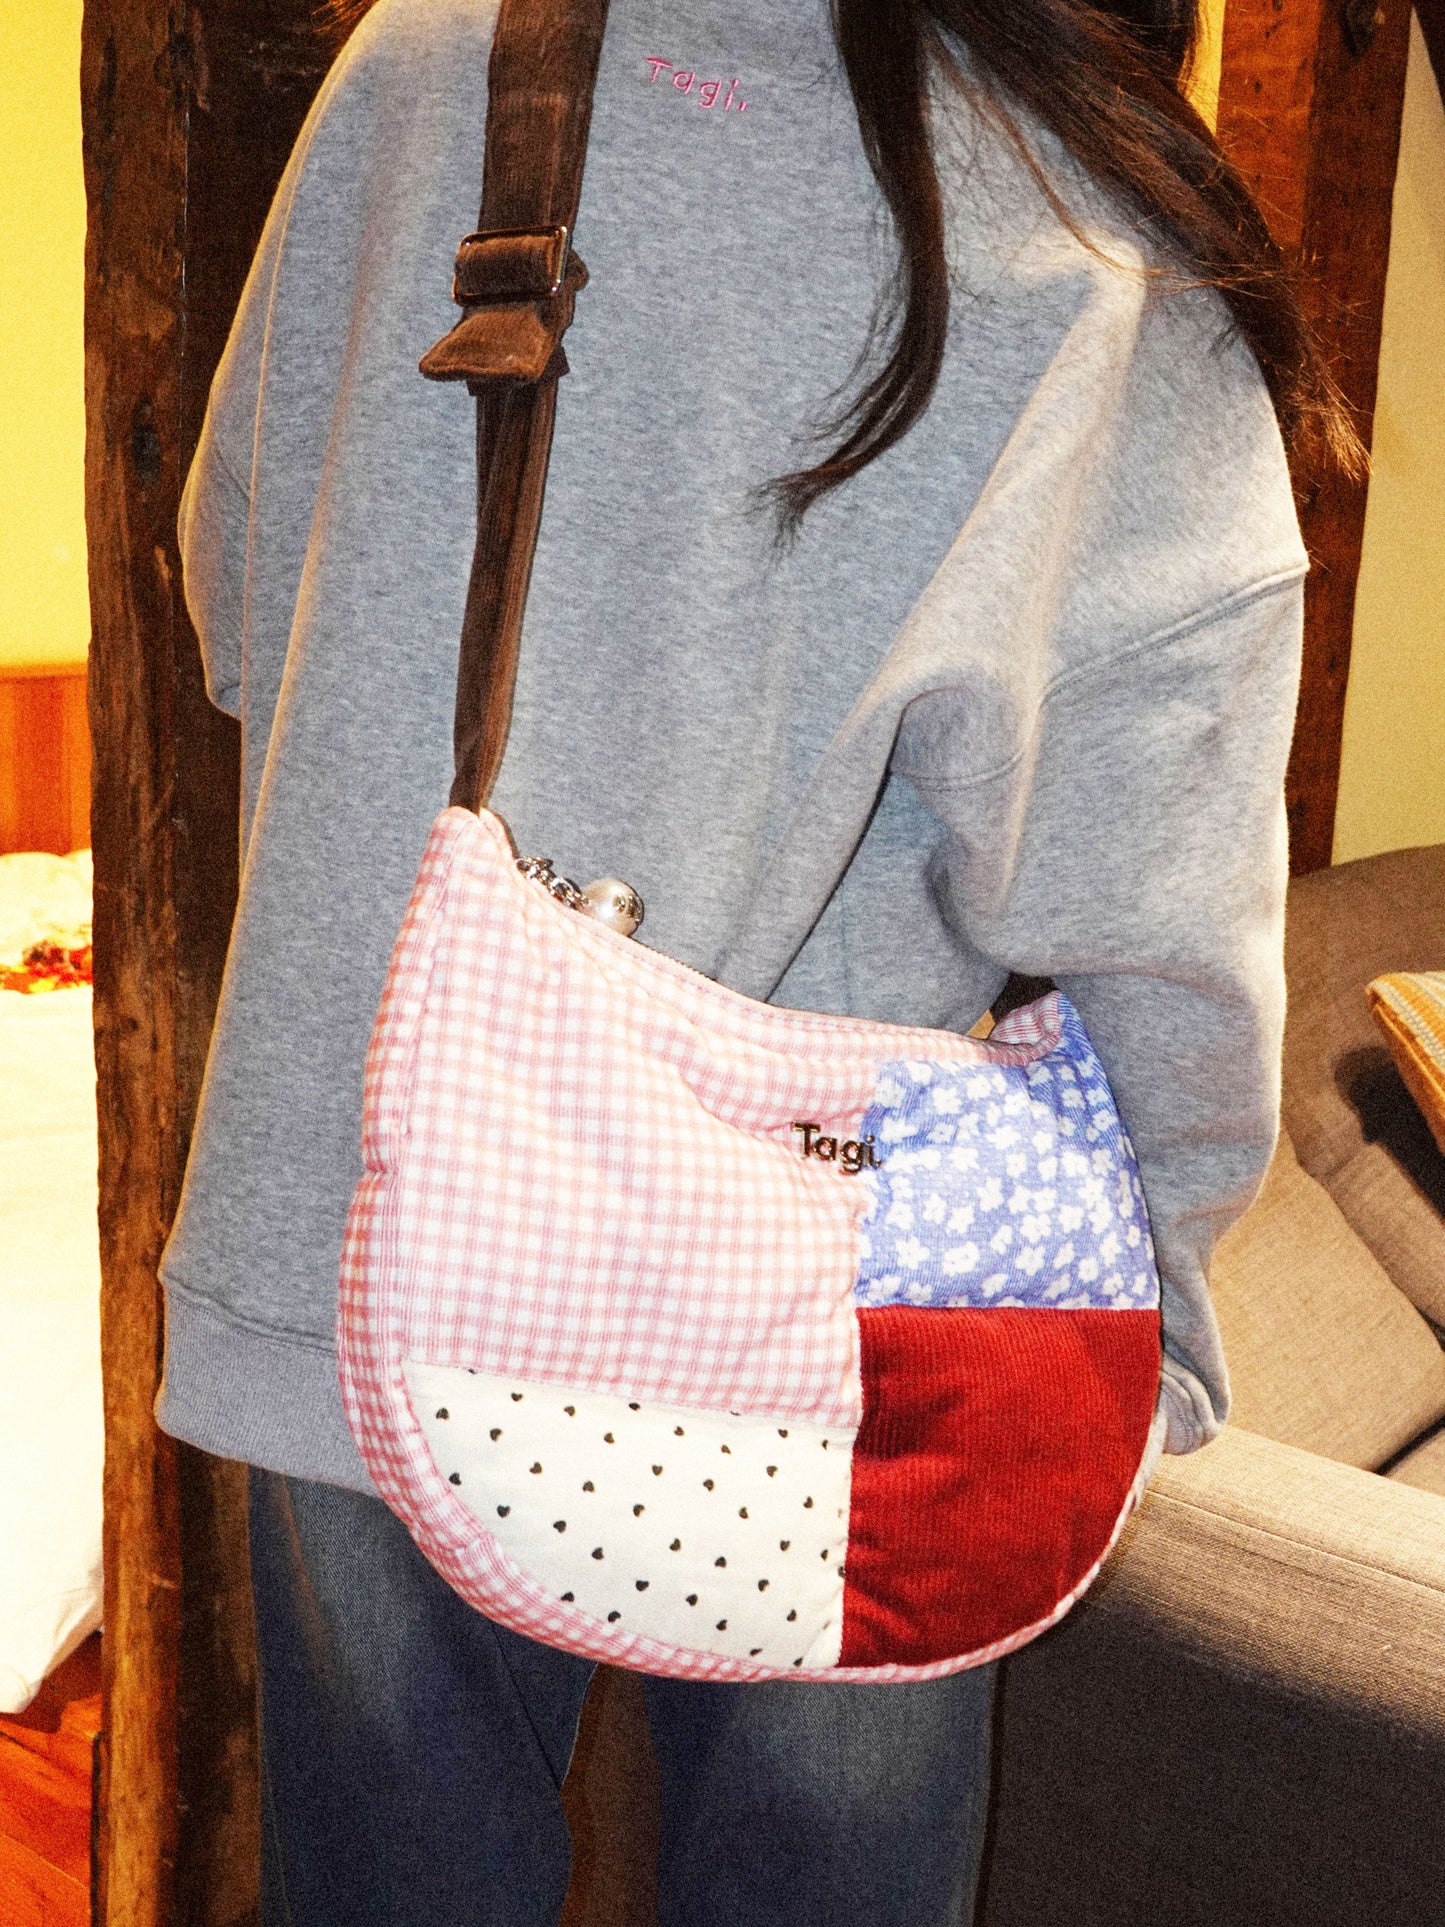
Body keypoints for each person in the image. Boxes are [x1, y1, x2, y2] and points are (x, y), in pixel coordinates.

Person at [160, 0, 1346, 1920]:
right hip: (853, 1325)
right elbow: (1148, 908)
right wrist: (1157, 1319)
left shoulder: (427, 65)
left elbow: (240, 603)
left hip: (363, 1207)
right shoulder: (1086, 219)